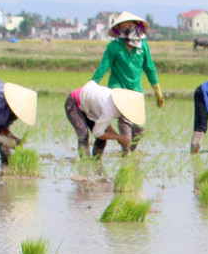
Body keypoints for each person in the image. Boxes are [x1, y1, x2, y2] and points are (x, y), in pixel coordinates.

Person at [91, 12, 164, 153]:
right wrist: (92, 85)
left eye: (132, 23)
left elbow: (149, 68)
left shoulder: (143, 46)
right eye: (126, 23)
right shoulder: (114, 46)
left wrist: (157, 90)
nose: (130, 25)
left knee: (139, 130)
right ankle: (126, 157)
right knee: (125, 125)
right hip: (118, 91)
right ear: (119, 27)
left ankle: (128, 152)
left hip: (136, 92)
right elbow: (103, 67)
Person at [63, 81, 145, 157]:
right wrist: (118, 137)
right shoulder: (110, 110)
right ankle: (85, 165)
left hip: (91, 106)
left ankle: (97, 164)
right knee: (83, 134)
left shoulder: (115, 106)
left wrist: (117, 136)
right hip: (74, 102)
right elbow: (97, 133)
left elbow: (103, 123)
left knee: (102, 138)